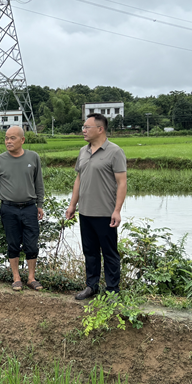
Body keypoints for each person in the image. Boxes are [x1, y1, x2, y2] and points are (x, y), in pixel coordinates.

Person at [64, 113, 128, 300]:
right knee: (90, 252)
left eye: (87, 127)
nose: (83, 130)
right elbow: (79, 179)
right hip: (85, 211)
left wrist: (117, 210)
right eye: (83, 127)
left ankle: (112, 290)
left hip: (105, 212)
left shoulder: (115, 152)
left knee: (109, 253)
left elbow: (122, 183)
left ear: (100, 129)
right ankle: (91, 286)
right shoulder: (83, 152)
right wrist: (72, 205)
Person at [0, 126, 46, 291]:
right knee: (13, 243)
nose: (8, 141)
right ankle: (16, 277)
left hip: (29, 207)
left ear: (22, 140)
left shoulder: (33, 157)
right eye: (6, 138)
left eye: (12, 138)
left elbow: (39, 184)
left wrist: (39, 205)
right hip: (8, 208)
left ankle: (31, 278)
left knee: (32, 244)